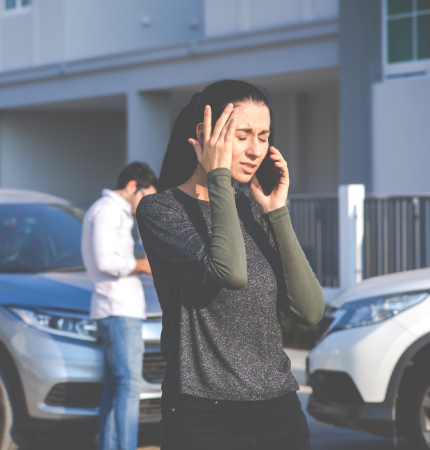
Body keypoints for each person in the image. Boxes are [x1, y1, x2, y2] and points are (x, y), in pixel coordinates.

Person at [135, 80, 324, 450]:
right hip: (204, 414)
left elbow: (310, 309)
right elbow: (230, 273)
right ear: (207, 135)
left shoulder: (256, 210)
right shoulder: (161, 210)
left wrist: (277, 214)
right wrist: (219, 177)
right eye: (242, 136)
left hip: (279, 410)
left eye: (264, 136)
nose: (256, 150)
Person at [81, 162, 158, 450]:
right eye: (146, 196)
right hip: (118, 309)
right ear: (131, 186)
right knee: (128, 386)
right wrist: (141, 265)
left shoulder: (109, 210)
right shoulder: (109, 210)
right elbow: (105, 261)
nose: (147, 204)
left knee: (116, 387)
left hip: (115, 309)